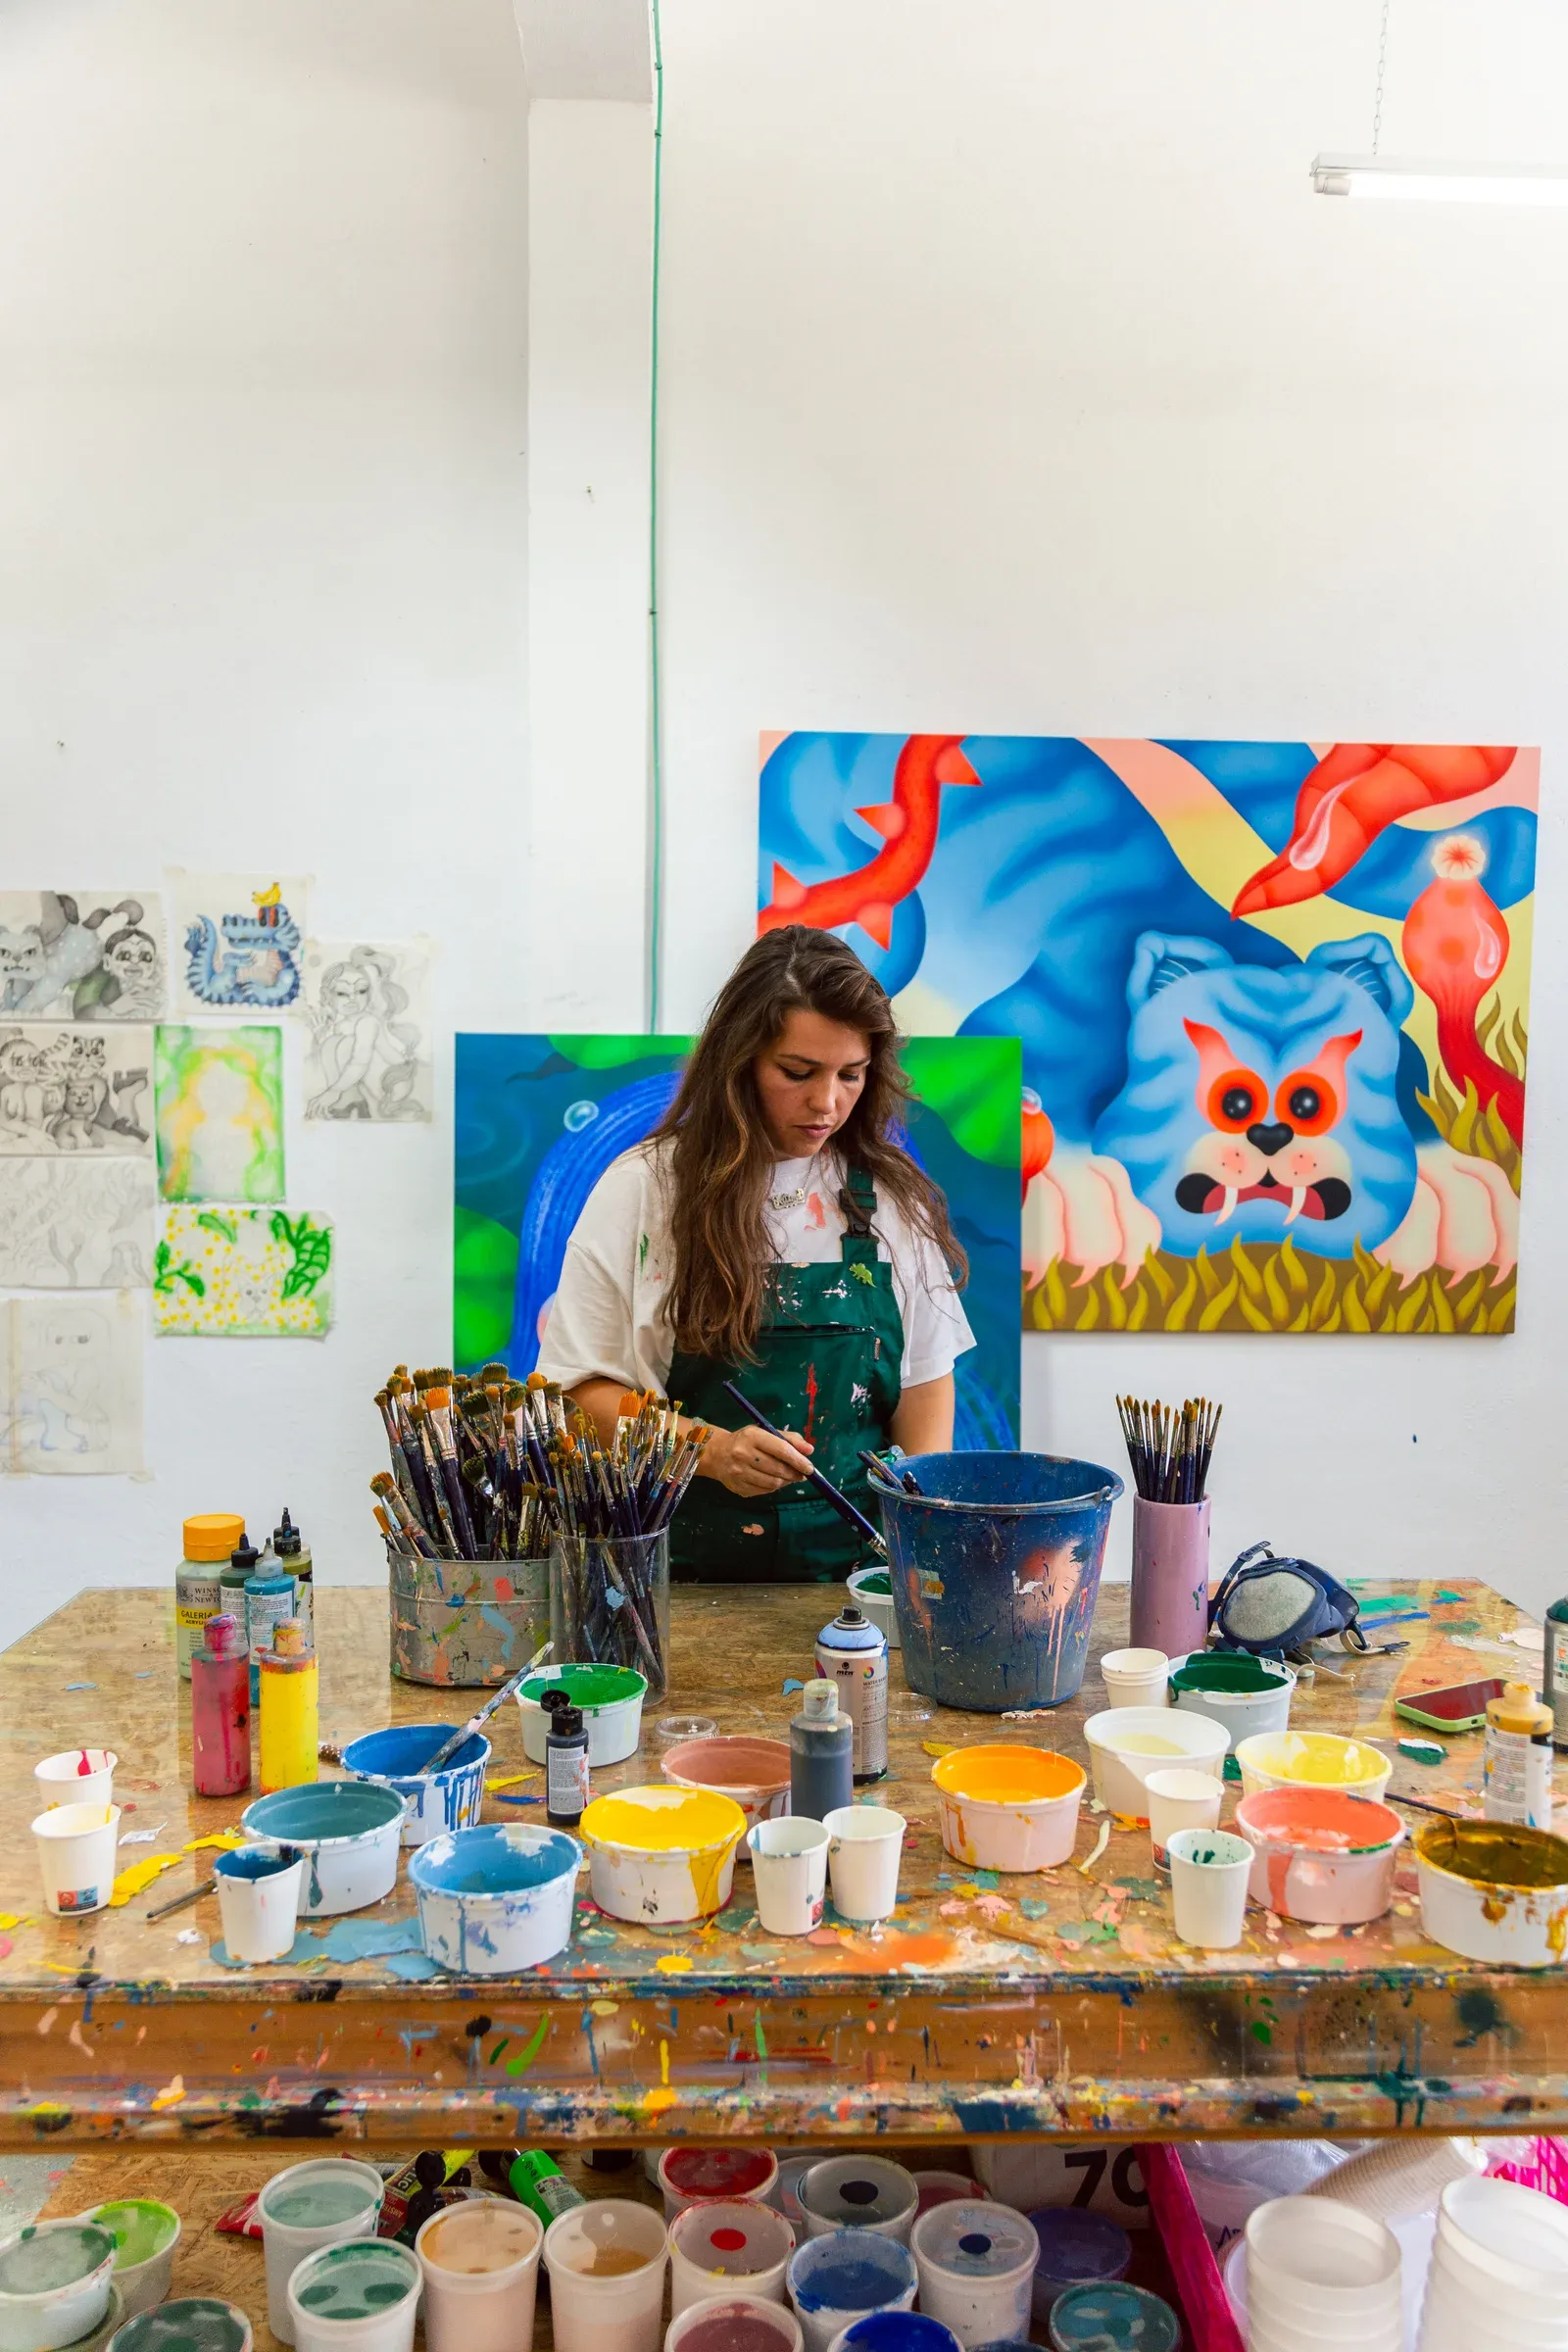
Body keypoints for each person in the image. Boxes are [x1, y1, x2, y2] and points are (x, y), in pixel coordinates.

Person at [536, 926, 974, 1581]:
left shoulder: (885, 1200)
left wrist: (920, 1538)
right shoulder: (645, 1190)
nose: (827, 1102)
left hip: (857, 1581)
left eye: (850, 1075)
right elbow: (577, 1394)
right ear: (738, 1062)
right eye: (797, 1073)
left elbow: (924, 1386)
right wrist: (710, 1451)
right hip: (679, 1577)